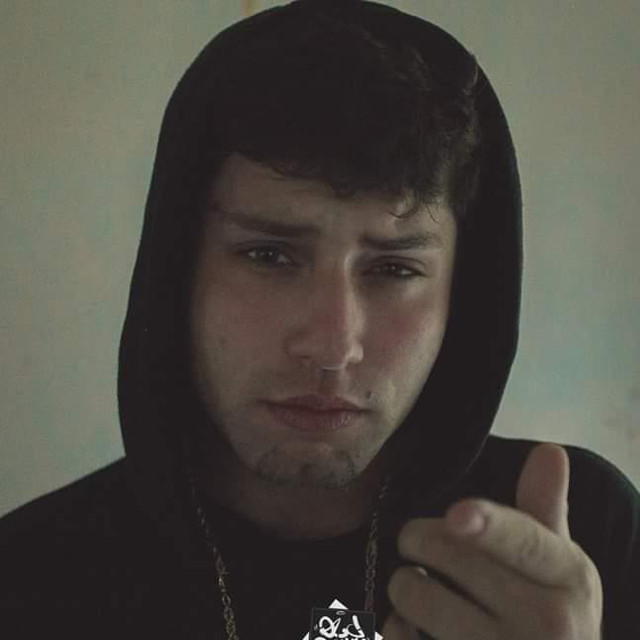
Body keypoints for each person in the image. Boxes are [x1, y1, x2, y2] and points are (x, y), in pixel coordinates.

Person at [1, 0, 638, 638]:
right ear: (179, 271)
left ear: (461, 296)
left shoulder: (581, 551)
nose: (333, 346)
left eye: (394, 269)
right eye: (269, 256)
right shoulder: (32, 579)